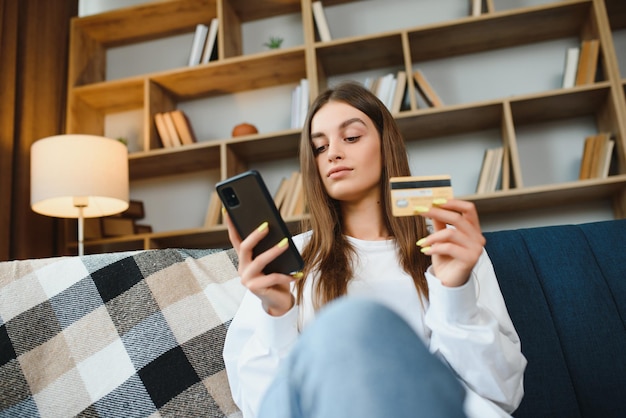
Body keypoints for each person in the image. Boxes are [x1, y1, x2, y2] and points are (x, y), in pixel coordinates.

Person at [222, 81, 527, 417]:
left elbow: (501, 395)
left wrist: (455, 294)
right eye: (319, 148)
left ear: (387, 144)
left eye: (351, 137)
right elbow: (264, 409)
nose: (333, 153)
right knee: (352, 323)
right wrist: (277, 314)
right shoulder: (287, 259)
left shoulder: (449, 248)